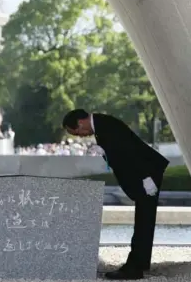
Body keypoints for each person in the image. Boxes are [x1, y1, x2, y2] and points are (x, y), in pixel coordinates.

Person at [62, 109, 169, 280]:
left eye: (78, 132)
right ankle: (139, 263)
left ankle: (134, 268)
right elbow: (118, 151)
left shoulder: (105, 125)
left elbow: (130, 150)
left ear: (80, 123)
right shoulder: (101, 125)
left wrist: (146, 177)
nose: (81, 136)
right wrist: (105, 152)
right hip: (145, 173)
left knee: (144, 221)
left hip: (147, 173)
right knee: (144, 219)